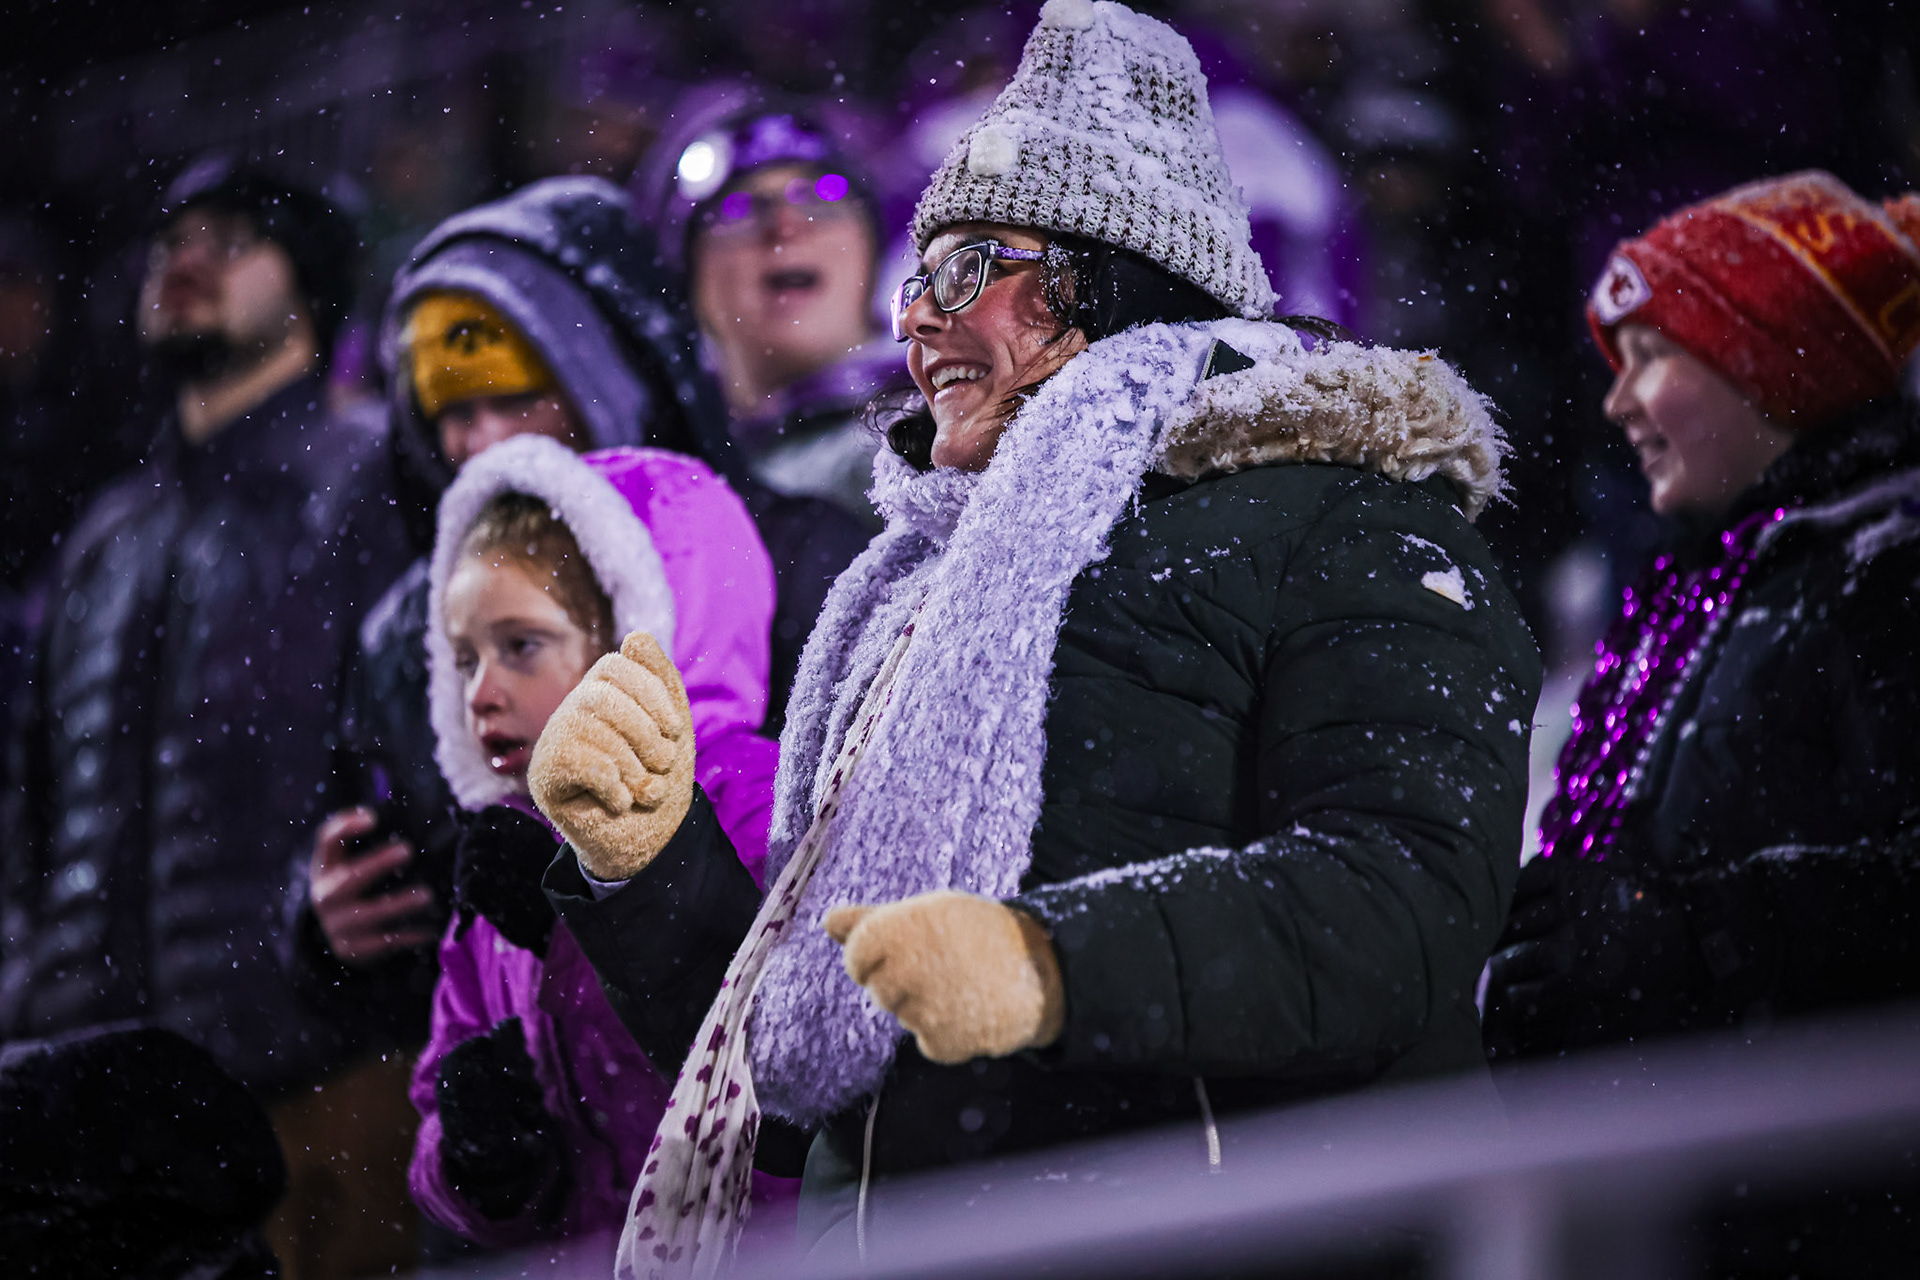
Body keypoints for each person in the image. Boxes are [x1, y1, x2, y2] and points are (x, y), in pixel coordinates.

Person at [532, 2, 1539, 1269]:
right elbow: (816, 1074)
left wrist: (1055, 967)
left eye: (970, 269)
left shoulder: (1345, 511)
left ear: (1109, 273)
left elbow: (1404, 902)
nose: (918, 323)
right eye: (916, 275)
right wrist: (652, 866)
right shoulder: (919, 585)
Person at [287, 176, 859, 1057]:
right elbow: (429, 967)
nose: (484, 445)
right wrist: (331, 945)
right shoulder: (411, 640)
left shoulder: (805, 560)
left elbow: (831, 918)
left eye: (515, 399)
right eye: (451, 412)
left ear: (617, 382)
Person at [1483, 173, 1920, 1059]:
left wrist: (1689, 940)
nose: (1617, 402)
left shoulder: (1888, 573)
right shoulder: (1710, 580)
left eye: (1651, 355)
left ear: (1768, 360)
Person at [0, 156, 401, 1093]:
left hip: (307, 1074)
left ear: (309, 284)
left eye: (230, 241)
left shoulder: (368, 481)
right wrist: (26, 989)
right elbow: (32, 806)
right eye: (172, 242)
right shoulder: (108, 533)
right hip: (86, 1089)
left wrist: (333, 978)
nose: (185, 260)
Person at [407, 433, 792, 1254]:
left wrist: (578, 926)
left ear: (635, 632)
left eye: (521, 645)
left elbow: (778, 1073)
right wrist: (475, 1166)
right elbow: (440, 1099)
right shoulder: (503, 862)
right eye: (463, 655)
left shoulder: (752, 802)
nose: (480, 691)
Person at [636, 90, 911, 528]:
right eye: (739, 208)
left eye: (824, 195)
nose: (786, 226)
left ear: (869, 249)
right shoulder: (662, 484)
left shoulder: (935, 434)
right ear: (686, 279)